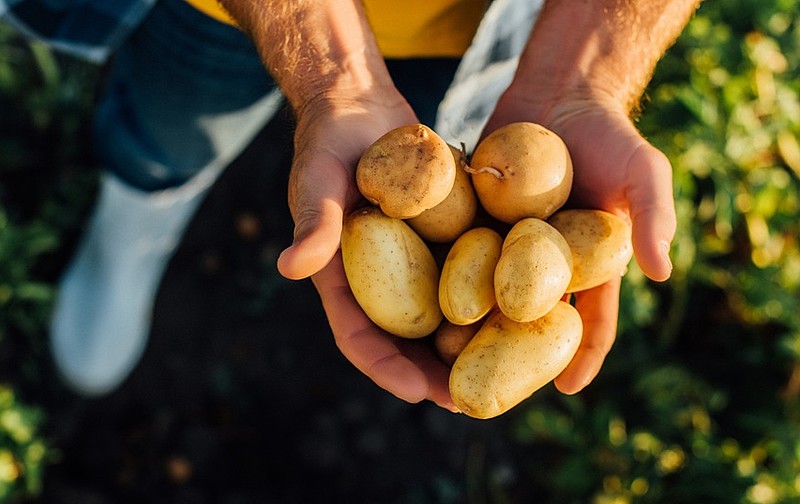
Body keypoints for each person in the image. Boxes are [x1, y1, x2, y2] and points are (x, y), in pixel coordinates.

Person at [0, 0, 699, 411]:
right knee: (169, 133)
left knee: (425, 154)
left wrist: (582, 71)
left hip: (483, 21)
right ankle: (135, 229)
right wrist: (331, 72)